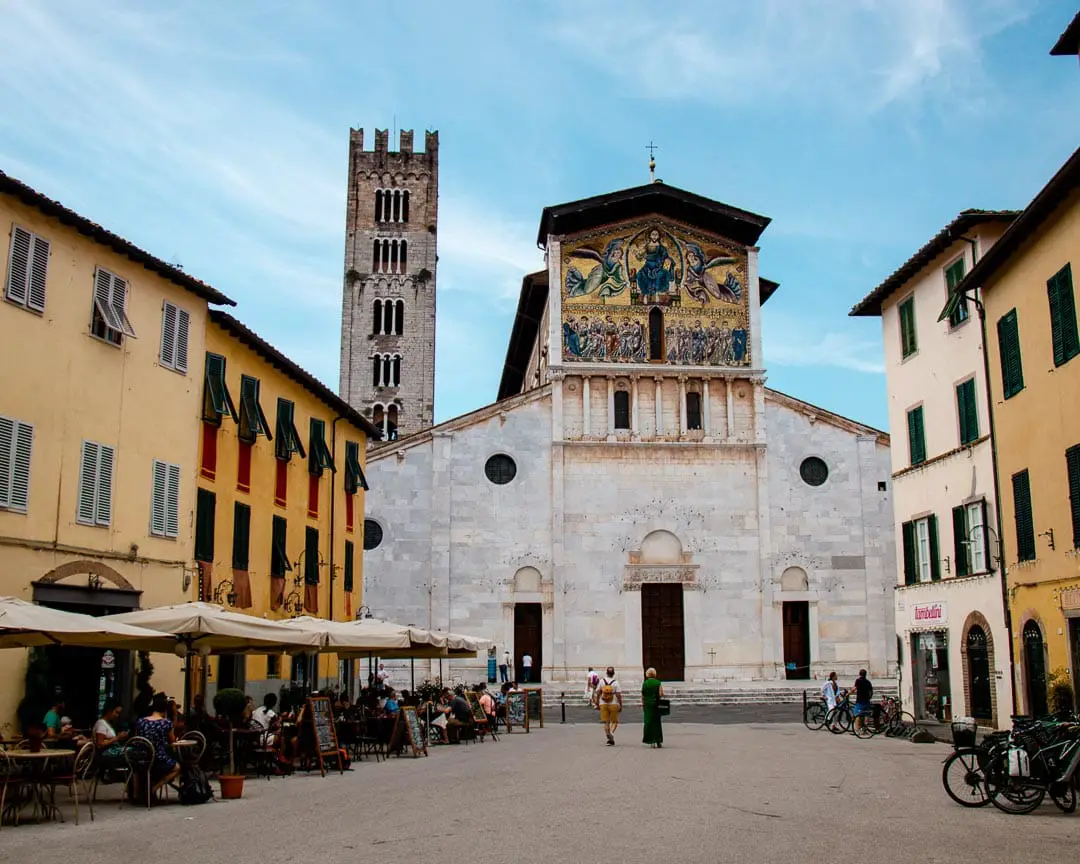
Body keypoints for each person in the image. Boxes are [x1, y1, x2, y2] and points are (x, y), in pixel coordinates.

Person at [135, 692, 180, 795]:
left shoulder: (140, 721)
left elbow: (137, 739)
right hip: (158, 758)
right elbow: (173, 742)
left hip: (141, 758)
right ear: (164, 710)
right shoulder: (165, 723)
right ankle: (154, 788)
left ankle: (138, 793)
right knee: (177, 768)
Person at [93, 699, 129, 767]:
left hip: (111, 750)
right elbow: (100, 744)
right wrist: (117, 737)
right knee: (135, 753)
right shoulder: (101, 723)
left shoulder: (108, 723)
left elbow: (109, 739)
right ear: (109, 710)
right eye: (116, 712)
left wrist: (120, 737)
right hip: (105, 753)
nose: (117, 715)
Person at [593, 667, 623, 746]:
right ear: (613, 673)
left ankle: (609, 739)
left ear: (606, 673)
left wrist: (597, 703)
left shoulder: (601, 681)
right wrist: (620, 704)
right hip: (613, 703)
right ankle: (611, 733)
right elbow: (618, 695)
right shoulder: (616, 682)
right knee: (615, 721)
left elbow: (598, 692)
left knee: (606, 721)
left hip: (603, 703)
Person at [641, 667, 664, 749]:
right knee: (657, 722)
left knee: (648, 722)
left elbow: (643, 695)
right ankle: (658, 741)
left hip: (647, 704)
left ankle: (651, 741)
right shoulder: (658, 682)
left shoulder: (645, 683)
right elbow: (661, 694)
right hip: (656, 704)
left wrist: (643, 704)